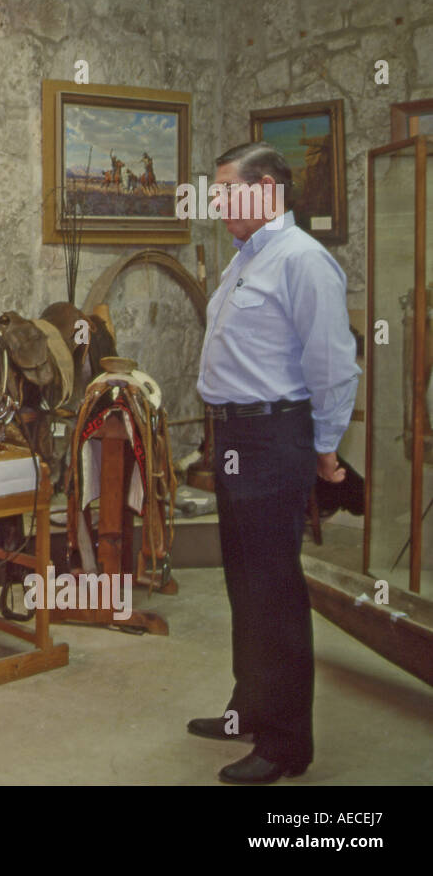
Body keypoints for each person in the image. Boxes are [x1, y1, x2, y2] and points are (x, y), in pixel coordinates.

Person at [191, 141, 359, 784]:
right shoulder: (247, 258)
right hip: (236, 439)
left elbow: (333, 364)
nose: (215, 203)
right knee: (244, 583)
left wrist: (326, 450)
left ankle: (287, 745)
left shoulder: (302, 261)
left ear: (264, 190)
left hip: (274, 439)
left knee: (274, 590)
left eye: (225, 189)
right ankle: (249, 711)